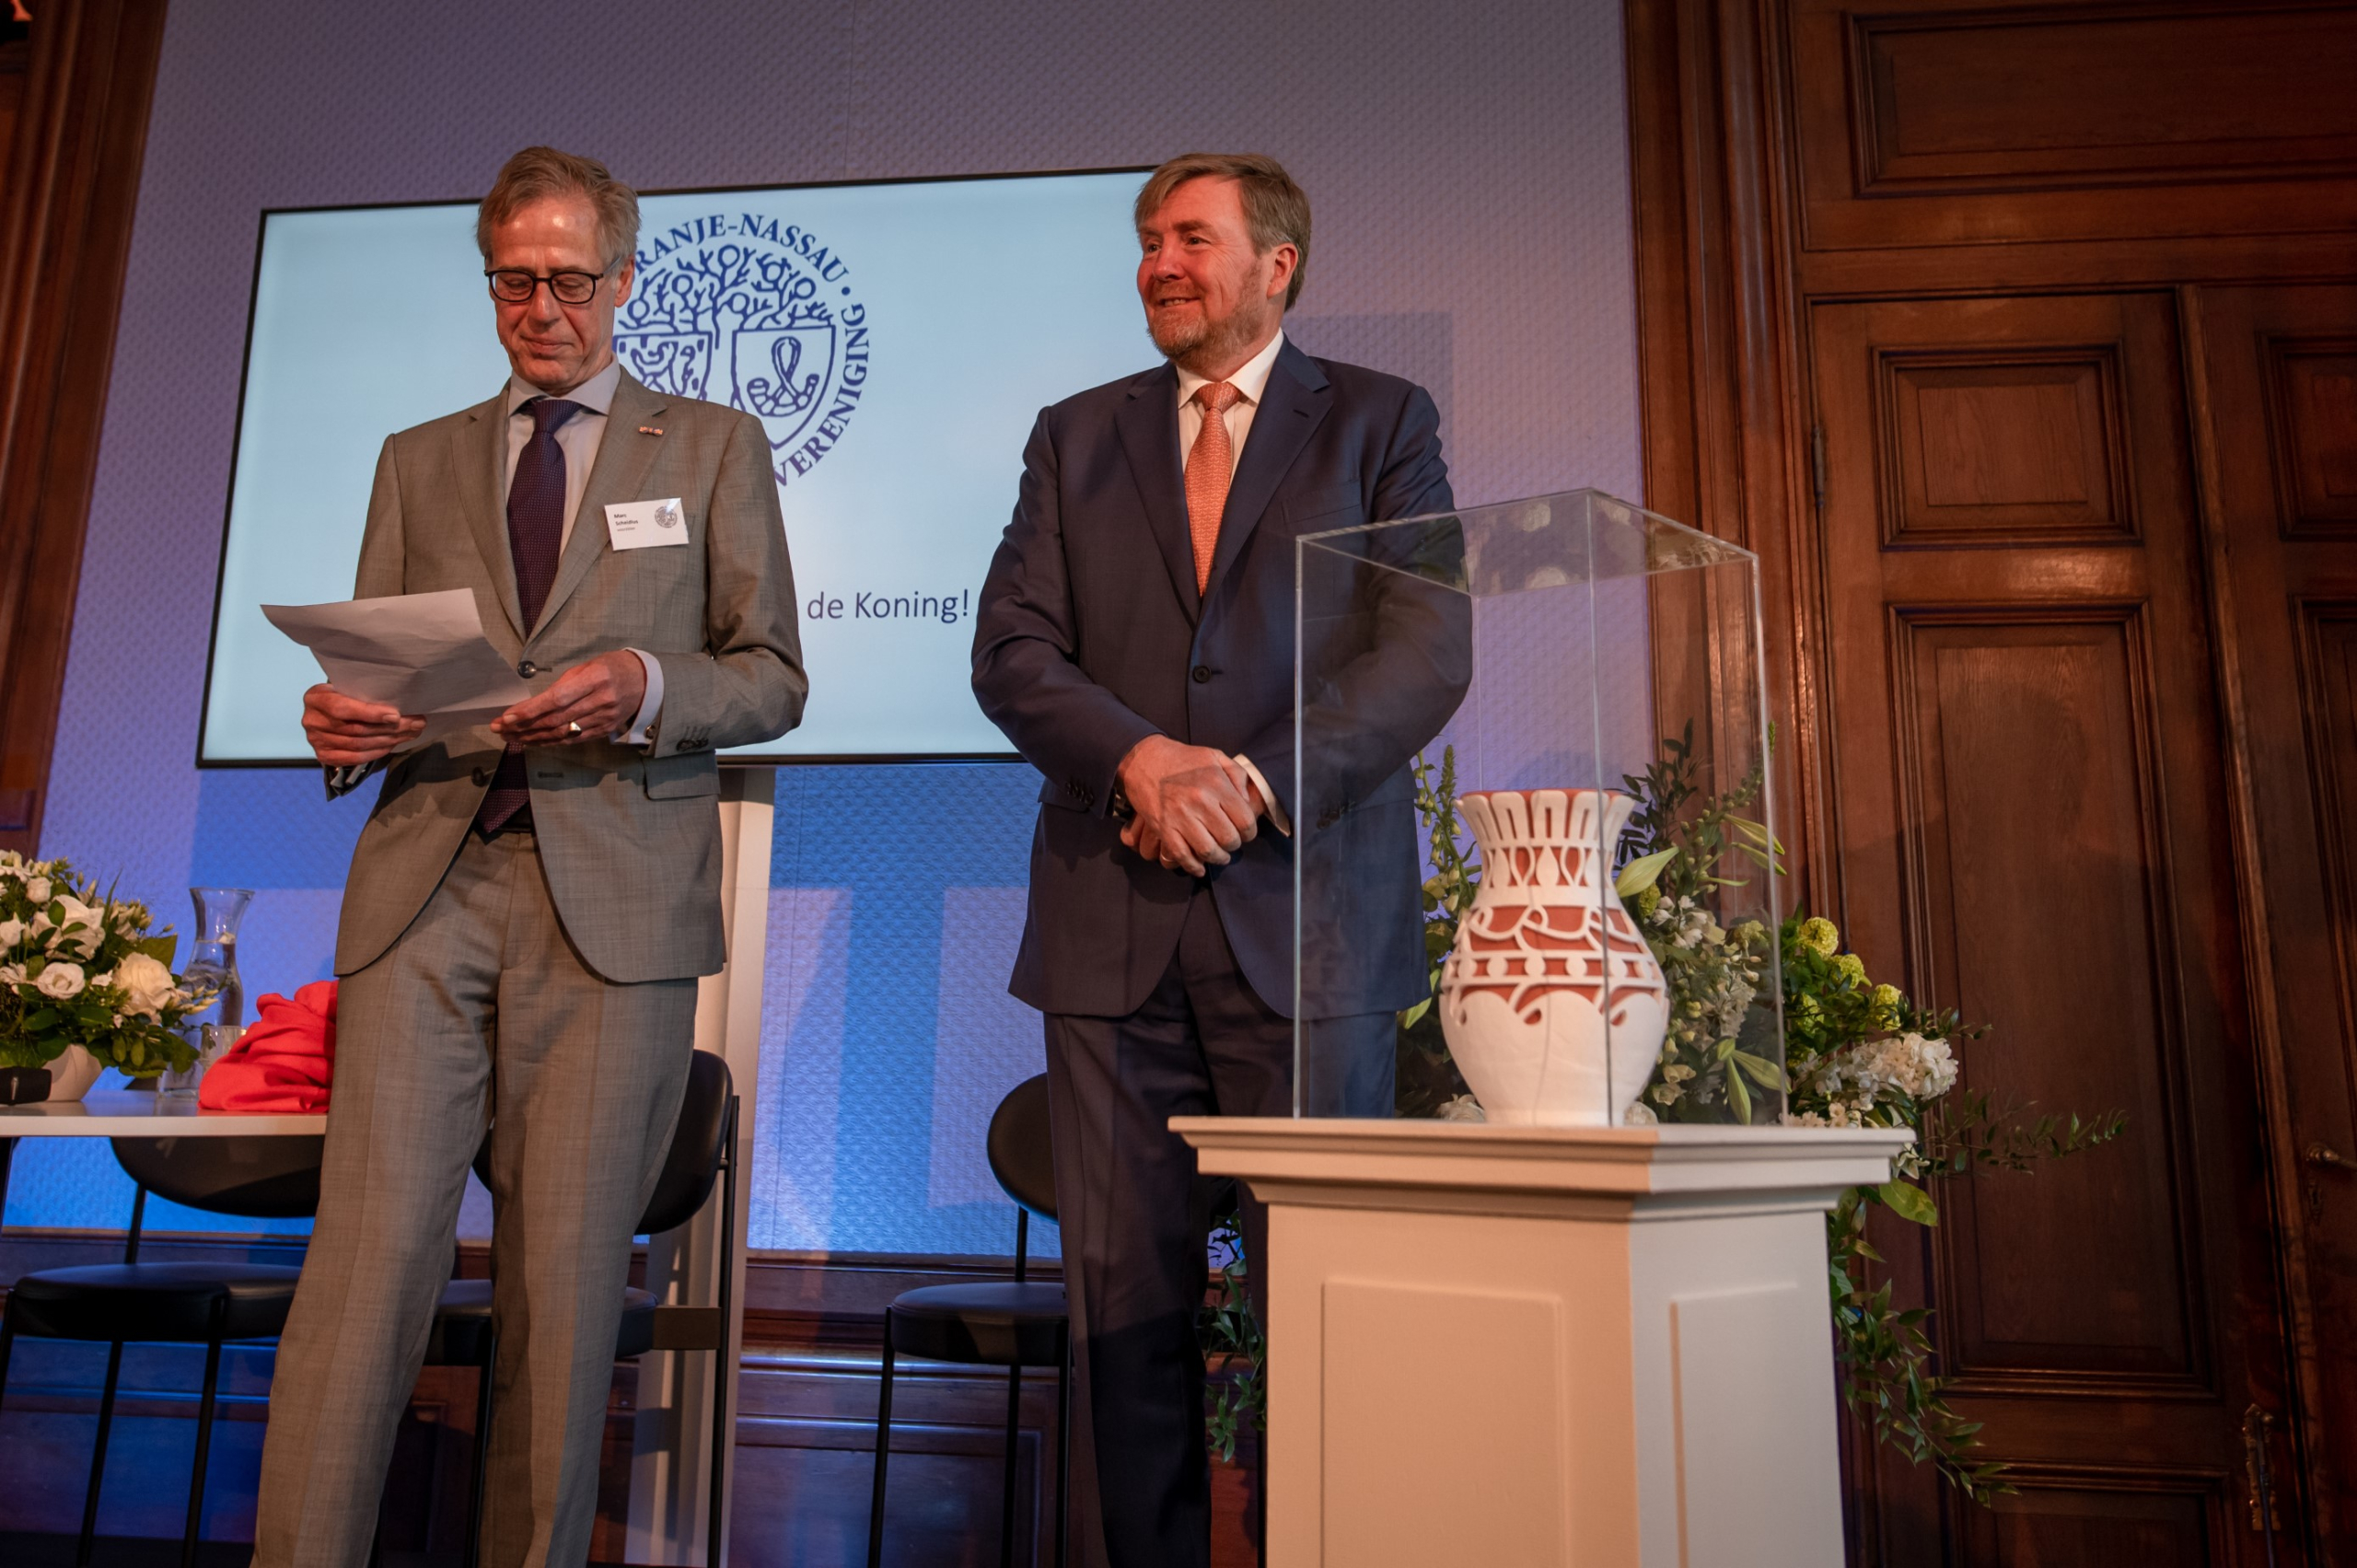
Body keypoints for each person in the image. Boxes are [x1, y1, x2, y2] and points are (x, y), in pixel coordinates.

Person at [255, 145, 804, 1567]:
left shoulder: (713, 446)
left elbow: (771, 677)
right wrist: (336, 723)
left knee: (559, 1299)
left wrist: (644, 683)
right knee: (362, 1274)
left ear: (623, 281)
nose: (541, 309)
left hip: (611, 904)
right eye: (514, 282)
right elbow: (376, 669)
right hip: (426, 886)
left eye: (568, 280)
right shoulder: (418, 455)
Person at [971, 152, 1466, 1567]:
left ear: (1276, 264)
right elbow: (1013, 650)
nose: (1159, 263)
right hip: (1110, 931)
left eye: (1191, 237)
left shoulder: (1379, 421)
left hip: (1311, 930)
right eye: (1148, 241)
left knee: (1322, 1304)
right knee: (1124, 1316)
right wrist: (1140, 761)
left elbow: (1425, 650)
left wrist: (1247, 786)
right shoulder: (1075, 436)